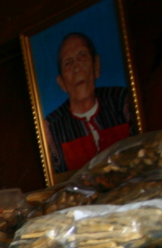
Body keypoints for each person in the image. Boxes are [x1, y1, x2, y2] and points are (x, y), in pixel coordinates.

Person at [44, 32, 133, 175]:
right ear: (62, 83)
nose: (77, 68)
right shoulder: (51, 127)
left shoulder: (122, 100)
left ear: (96, 65)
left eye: (82, 56)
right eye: (68, 63)